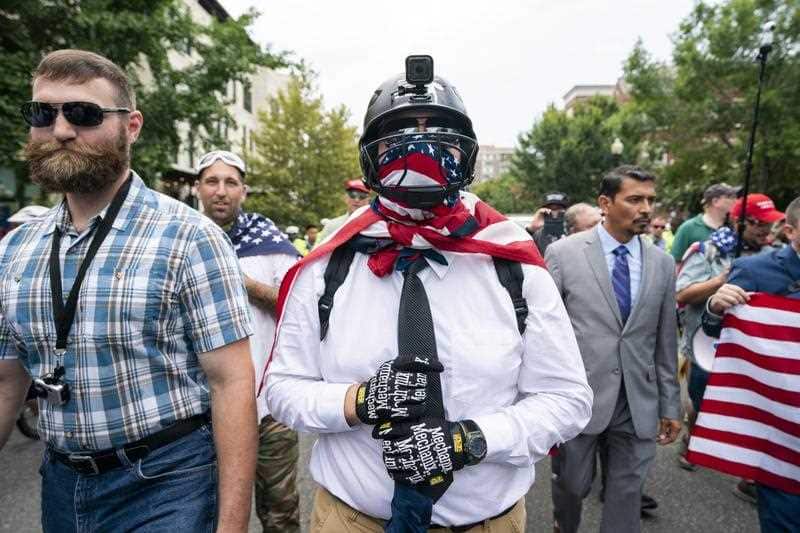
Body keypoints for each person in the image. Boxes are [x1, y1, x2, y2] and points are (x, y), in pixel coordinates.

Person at [263, 58, 592, 532]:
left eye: (437, 131)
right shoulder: (328, 267)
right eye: (400, 132)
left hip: (484, 523)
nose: (419, 147)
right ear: (370, 155)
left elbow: (566, 399)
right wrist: (359, 401)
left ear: (467, 153)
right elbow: (282, 389)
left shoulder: (513, 266)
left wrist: (470, 439)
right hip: (352, 520)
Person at [0, 49, 256, 532]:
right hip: (61, 481)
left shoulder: (191, 237)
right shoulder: (16, 250)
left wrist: (231, 526)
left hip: (167, 480)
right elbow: (6, 381)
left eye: (83, 113)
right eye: (42, 112)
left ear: (131, 126)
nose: (60, 129)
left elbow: (232, 385)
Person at [545, 165, 681, 533]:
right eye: (635, 199)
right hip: (579, 395)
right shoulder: (563, 254)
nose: (646, 209)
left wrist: (670, 403)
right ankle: (564, 525)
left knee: (626, 491)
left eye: (650, 200)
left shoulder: (662, 264)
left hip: (638, 399)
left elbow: (665, 338)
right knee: (572, 485)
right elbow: (543, 332)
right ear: (606, 203)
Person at [194, 149, 301, 532]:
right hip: (202, 414)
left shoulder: (269, 244)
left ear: (244, 191)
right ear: (197, 189)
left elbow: (297, 310)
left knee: (280, 515)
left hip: (267, 408)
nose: (220, 191)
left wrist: (246, 285)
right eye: (211, 181)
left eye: (230, 182)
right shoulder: (183, 241)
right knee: (210, 514)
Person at [696, 195, 800, 532]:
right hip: (779, 432)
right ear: (790, 230)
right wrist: (714, 308)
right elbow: (717, 340)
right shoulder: (756, 270)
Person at [675, 193, 784, 479]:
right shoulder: (708, 250)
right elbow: (682, 293)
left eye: (769, 224)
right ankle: (694, 435)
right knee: (702, 399)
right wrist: (720, 281)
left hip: (754, 350)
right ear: (739, 221)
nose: (765, 230)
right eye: (758, 223)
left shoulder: (776, 257)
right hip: (707, 344)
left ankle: (750, 473)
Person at [671, 183, 738, 264]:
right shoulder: (689, 228)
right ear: (715, 201)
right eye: (730, 197)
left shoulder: (734, 229)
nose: (736, 201)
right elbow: (675, 262)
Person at [317, 178, 372, 244]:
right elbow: (320, 252)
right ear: (345, 198)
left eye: (362, 196)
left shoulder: (376, 226)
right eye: (352, 195)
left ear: (368, 200)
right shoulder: (332, 225)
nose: (357, 200)